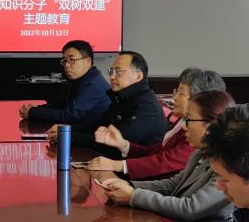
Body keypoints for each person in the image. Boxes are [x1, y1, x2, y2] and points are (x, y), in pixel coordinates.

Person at [99, 90, 235, 222]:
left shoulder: (229, 166)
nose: (184, 127)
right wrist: (129, 185)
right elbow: (173, 183)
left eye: (188, 120)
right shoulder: (200, 153)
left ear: (211, 125)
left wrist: (134, 196)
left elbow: (190, 208)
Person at [87, 68, 225, 179]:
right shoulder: (182, 121)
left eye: (181, 93)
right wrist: (123, 145)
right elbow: (155, 151)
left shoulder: (199, 130)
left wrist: (118, 165)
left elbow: (166, 162)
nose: (174, 97)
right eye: (176, 91)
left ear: (201, 100)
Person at [50, 51, 167, 151]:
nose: (112, 77)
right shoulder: (123, 97)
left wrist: (69, 137)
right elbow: (97, 125)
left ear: (138, 76)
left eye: (118, 72)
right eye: (111, 71)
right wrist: (66, 130)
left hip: (132, 166)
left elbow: (114, 143)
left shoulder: (147, 107)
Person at [18, 40, 110, 125]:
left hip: (93, 135)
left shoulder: (93, 84)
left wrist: (32, 113)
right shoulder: (80, 80)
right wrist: (34, 109)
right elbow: (61, 104)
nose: (66, 65)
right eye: (65, 60)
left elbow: (70, 116)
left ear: (88, 61)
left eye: (72, 60)